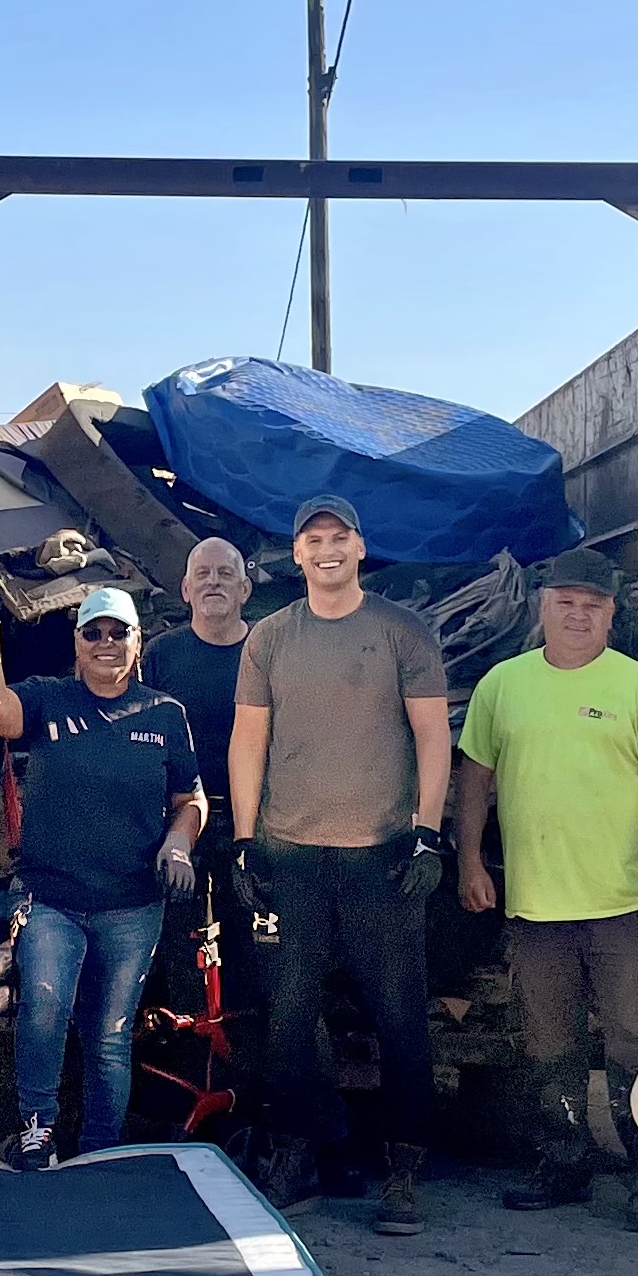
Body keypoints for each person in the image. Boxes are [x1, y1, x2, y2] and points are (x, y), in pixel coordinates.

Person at [228, 496, 453, 1230]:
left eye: (339, 537)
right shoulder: (270, 637)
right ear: (296, 555)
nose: (326, 549)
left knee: (398, 1018)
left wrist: (427, 832)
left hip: (381, 858)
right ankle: (296, 1153)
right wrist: (243, 837)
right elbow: (248, 741)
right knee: (289, 1016)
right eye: (312, 539)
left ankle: (405, 1169)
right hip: (291, 854)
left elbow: (431, 736)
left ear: (361, 547)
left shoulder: (400, 631)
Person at [456, 546, 638, 1233]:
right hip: (535, 907)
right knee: (548, 1044)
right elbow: (474, 778)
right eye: (566, 603)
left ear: (611, 614)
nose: (579, 615)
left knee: (634, 1042)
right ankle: (564, 1158)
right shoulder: (505, 685)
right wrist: (470, 860)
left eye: (593, 605)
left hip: (624, 906)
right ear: (543, 607)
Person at [0, 584, 206, 1169]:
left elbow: (189, 797)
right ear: (76, 643)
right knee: (43, 1008)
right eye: (93, 632)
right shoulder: (49, 698)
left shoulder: (166, 714)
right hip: (52, 900)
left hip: (134, 903)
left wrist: (178, 844)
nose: (105, 643)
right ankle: (37, 1136)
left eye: (118, 632)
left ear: (137, 641)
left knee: (111, 1032)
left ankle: (101, 1148)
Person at [141, 537, 261, 1018]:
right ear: (186, 589)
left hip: (252, 823)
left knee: (252, 956)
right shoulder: (160, 655)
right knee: (179, 951)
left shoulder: (266, 649)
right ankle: (185, 1072)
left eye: (226, 574)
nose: (214, 582)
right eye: (204, 574)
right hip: (178, 824)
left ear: (245, 588)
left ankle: (247, 1079)